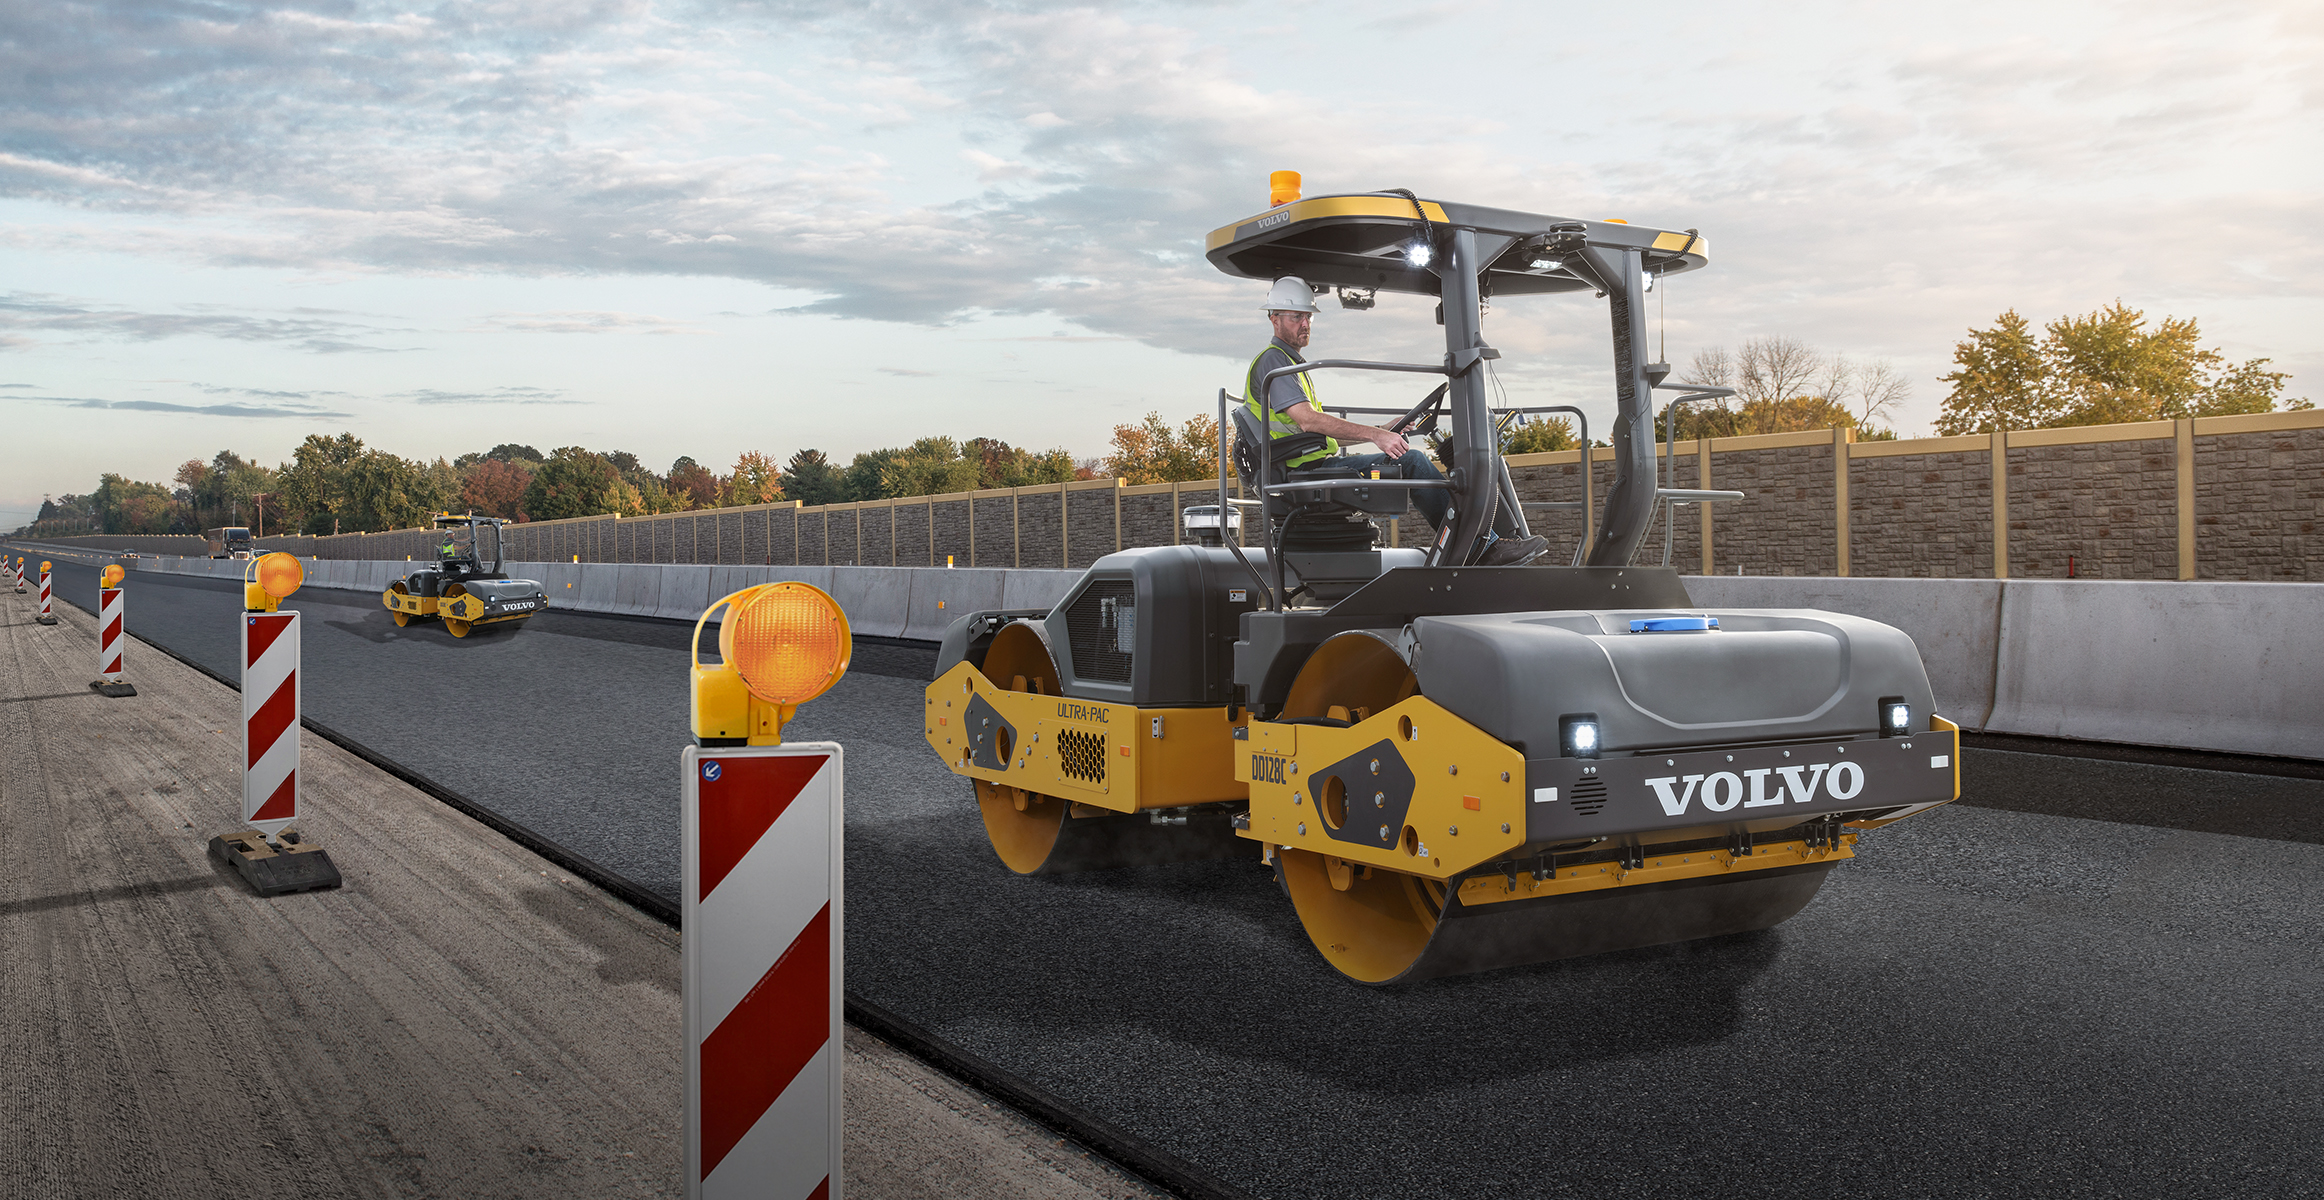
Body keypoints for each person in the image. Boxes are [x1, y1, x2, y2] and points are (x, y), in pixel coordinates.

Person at [1244, 276, 1549, 565]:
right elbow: (1309, 421)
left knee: (1411, 460)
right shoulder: (1274, 361)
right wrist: (1378, 437)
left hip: (1308, 466)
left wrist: (1385, 429)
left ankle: (1477, 545)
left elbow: (1318, 435)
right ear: (1274, 318)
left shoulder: (1292, 366)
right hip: (1302, 473)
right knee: (1412, 461)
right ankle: (1480, 547)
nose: (1305, 323)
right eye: (1296, 317)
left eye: (1308, 316)